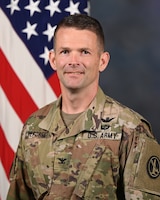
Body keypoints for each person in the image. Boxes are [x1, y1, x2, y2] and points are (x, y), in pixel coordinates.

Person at [7, 14, 160, 200]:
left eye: (84, 52)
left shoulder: (130, 129)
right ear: (53, 60)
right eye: (65, 52)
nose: (73, 61)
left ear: (102, 61)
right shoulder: (34, 126)